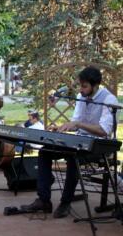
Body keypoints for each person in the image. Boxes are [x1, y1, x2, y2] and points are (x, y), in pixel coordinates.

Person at [21, 66, 118, 218]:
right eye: (80, 85)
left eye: (84, 86)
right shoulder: (81, 97)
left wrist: (77, 125)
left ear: (95, 85)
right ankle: (43, 200)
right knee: (45, 151)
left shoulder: (108, 100)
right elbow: (76, 122)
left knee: (74, 158)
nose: (81, 89)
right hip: (80, 140)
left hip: (99, 146)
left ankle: (65, 202)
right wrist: (63, 128)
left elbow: (103, 130)